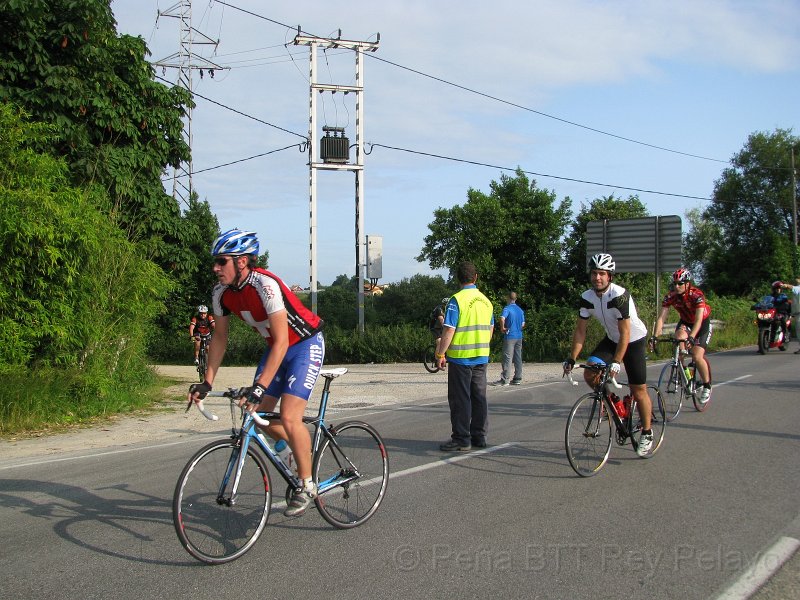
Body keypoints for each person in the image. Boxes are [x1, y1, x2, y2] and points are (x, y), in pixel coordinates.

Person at [187, 229, 325, 518]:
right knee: (257, 414)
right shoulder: (220, 293)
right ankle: (293, 451)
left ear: (242, 262)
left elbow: (284, 340)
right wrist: (207, 381)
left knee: (289, 416)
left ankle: (308, 485)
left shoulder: (266, 285)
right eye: (215, 261)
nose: (215, 268)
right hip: (276, 348)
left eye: (221, 261)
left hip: (303, 344)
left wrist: (260, 385)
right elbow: (220, 338)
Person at [562, 253, 654, 457]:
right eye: (594, 273)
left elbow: (626, 333)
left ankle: (647, 432)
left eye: (602, 274)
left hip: (634, 340)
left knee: (638, 389)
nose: (597, 278)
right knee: (590, 372)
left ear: (610, 276)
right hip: (612, 339)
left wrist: (616, 362)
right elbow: (580, 331)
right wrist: (572, 358)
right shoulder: (587, 297)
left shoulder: (619, 296)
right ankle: (614, 401)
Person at [435, 261, 494, 451]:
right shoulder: (486, 301)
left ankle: (461, 438)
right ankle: (479, 436)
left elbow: (449, 330)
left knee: (460, 398)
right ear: (475, 277)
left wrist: (440, 353)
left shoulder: (456, 300)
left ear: (457, 278)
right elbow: (491, 329)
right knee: (479, 397)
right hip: (481, 356)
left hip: (461, 357)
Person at [652, 268, 713, 403]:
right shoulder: (671, 296)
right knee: (678, 340)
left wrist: (692, 337)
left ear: (687, 284)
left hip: (701, 324)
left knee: (697, 356)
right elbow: (662, 318)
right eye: (675, 284)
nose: (676, 286)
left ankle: (707, 385)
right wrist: (655, 336)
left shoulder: (696, 295)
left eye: (680, 284)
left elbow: (698, 321)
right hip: (685, 322)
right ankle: (684, 374)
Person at [491, 291, 525, 386]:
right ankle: (518, 378)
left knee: (507, 357)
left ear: (508, 298)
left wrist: (503, 328)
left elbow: (502, 318)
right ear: (515, 299)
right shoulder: (520, 310)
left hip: (510, 335)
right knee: (518, 357)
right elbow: (523, 324)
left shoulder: (507, 308)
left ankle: (505, 379)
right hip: (519, 336)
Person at [768, 281, 792, 351]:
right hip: (772, 313)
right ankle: (762, 344)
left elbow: (785, 300)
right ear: (773, 289)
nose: (778, 289)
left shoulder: (783, 296)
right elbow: (765, 301)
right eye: (776, 288)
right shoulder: (770, 296)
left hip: (782, 313)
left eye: (779, 288)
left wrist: (785, 301)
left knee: (782, 320)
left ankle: (784, 335)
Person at [778, 279, 800, 352]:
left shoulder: (798, 288)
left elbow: (793, 288)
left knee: (799, 331)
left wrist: (786, 285)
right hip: (797, 312)